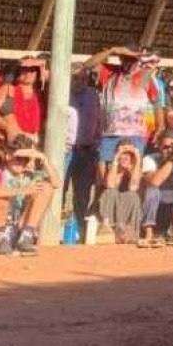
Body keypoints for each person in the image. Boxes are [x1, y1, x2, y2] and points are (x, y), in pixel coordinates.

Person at [84, 45, 165, 174]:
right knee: (105, 175)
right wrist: (112, 51)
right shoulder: (109, 72)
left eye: (133, 59)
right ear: (121, 58)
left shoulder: (145, 77)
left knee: (133, 174)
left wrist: (160, 126)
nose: (130, 63)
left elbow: (157, 104)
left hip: (136, 135)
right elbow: (87, 65)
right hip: (110, 134)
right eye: (126, 59)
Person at [0, 136, 58, 256]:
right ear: (8, 156)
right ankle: (3, 238)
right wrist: (22, 190)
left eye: (25, 159)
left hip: (19, 227)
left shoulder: (31, 175)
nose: (21, 162)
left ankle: (26, 235)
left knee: (46, 187)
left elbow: (56, 183)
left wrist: (43, 158)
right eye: (18, 158)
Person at [63, 67, 103, 238]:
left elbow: (100, 118)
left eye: (83, 78)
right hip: (65, 149)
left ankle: (79, 228)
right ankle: (53, 225)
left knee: (82, 192)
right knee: (60, 187)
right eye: (76, 78)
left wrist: (97, 140)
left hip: (87, 149)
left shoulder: (93, 94)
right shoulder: (61, 93)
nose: (79, 82)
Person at [97, 142, 146, 244]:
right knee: (110, 193)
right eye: (123, 153)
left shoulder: (136, 169)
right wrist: (115, 160)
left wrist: (137, 159)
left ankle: (130, 232)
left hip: (125, 207)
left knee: (133, 196)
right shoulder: (109, 166)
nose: (126, 157)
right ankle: (107, 230)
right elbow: (110, 185)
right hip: (109, 206)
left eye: (129, 154)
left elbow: (133, 187)